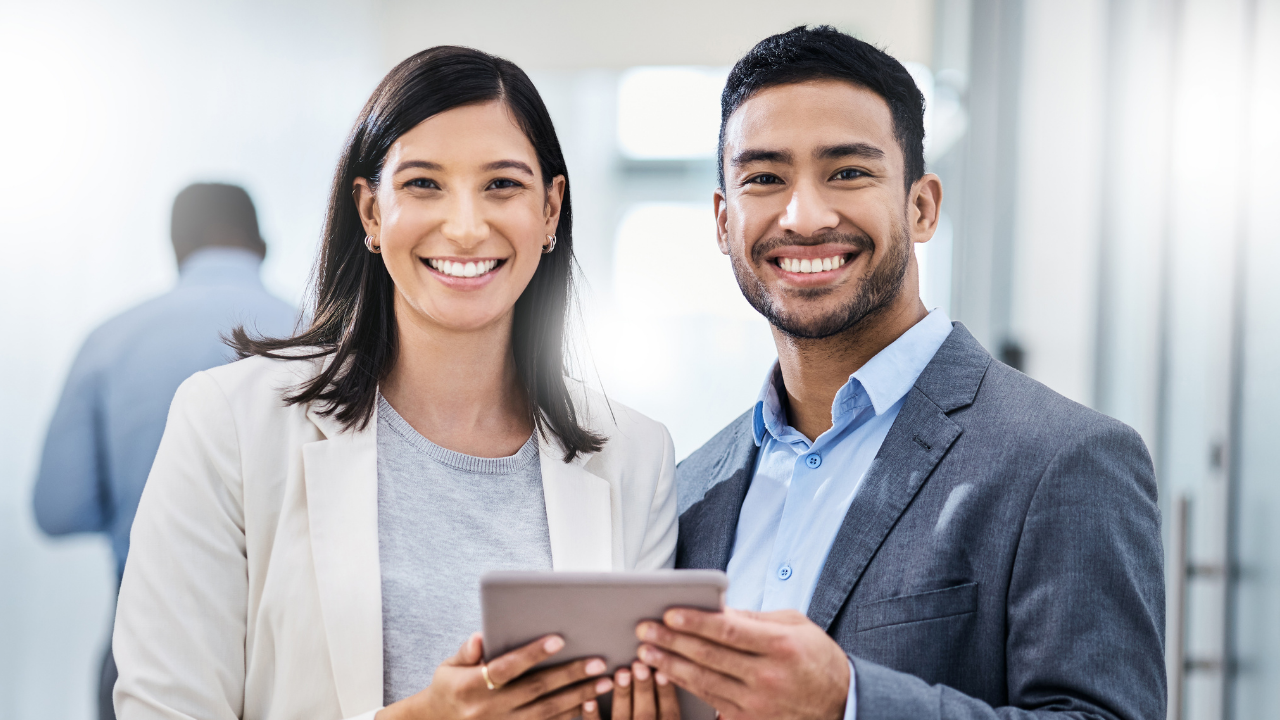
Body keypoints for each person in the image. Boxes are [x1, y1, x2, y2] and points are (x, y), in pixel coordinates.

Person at [111, 46, 679, 720]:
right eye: (423, 184)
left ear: (551, 210)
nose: (466, 227)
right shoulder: (228, 424)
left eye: (502, 185)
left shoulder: (635, 455)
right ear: (371, 213)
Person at [632, 26, 1165, 720]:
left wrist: (849, 702)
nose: (804, 216)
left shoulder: (1066, 460)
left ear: (921, 206)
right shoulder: (687, 492)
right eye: (764, 178)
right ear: (722, 220)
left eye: (848, 172)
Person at [33, 182, 297, 720]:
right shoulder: (317, 334)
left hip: (145, 623)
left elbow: (56, 509)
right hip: (290, 631)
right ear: (262, 245)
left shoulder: (110, 340)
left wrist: (139, 508)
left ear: (177, 247)